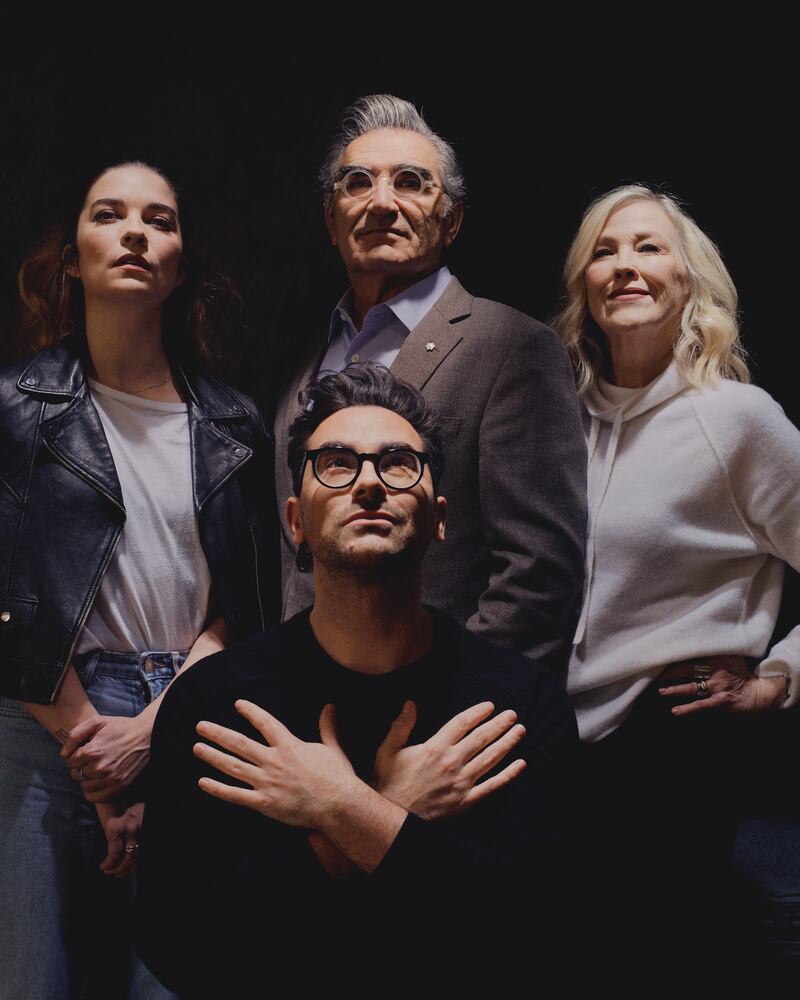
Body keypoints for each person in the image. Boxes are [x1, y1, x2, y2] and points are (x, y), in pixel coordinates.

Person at [137, 364, 579, 999]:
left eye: (398, 463)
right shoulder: (217, 703)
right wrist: (389, 813)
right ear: (296, 522)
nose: (369, 481)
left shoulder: (516, 704)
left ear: (439, 518)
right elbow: (177, 942)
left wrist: (343, 807)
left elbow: (539, 939)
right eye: (336, 464)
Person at [0, 161, 278, 999]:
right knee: (30, 980)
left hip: (191, 717)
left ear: (179, 263)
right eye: (109, 215)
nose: (134, 232)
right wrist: (95, 751)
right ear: (73, 258)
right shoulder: (12, 408)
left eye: (158, 220)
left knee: (175, 979)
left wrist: (155, 729)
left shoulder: (234, 420)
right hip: (43, 725)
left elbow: (245, 606)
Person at [552, 183, 800, 996]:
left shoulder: (735, 420)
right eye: (605, 249)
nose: (625, 265)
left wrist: (777, 681)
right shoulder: (556, 418)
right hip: (554, 744)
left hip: (670, 744)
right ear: (584, 282)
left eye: (649, 247)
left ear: (688, 278)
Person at [274, 93, 586, 674]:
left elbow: (540, 573)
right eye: (358, 182)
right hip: (301, 706)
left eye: (413, 182)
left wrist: (447, 708)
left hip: (443, 720)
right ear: (330, 219)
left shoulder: (513, 347)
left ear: (452, 219)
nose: (382, 202)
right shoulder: (304, 361)